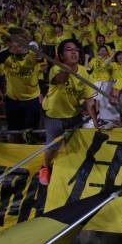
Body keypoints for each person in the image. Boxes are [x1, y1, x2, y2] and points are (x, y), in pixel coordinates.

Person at [40, 39, 99, 185]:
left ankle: (71, 167)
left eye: (76, 50)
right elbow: (60, 79)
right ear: (61, 55)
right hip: (54, 114)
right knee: (53, 146)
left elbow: (89, 100)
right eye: (69, 49)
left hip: (74, 114)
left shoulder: (84, 72)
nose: (74, 52)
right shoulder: (56, 68)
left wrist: (96, 123)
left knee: (75, 144)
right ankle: (45, 167)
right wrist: (67, 69)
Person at [0, 27, 44, 142]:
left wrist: (25, 50)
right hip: (12, 99)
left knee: (31, 131)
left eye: (22, 39)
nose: (20, 42)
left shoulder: (32, 50)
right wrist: (10, 50)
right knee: (14, 131)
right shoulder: (6, 54)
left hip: (31, 99)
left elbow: (37, 52)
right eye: (16, 40)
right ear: (9, 42)